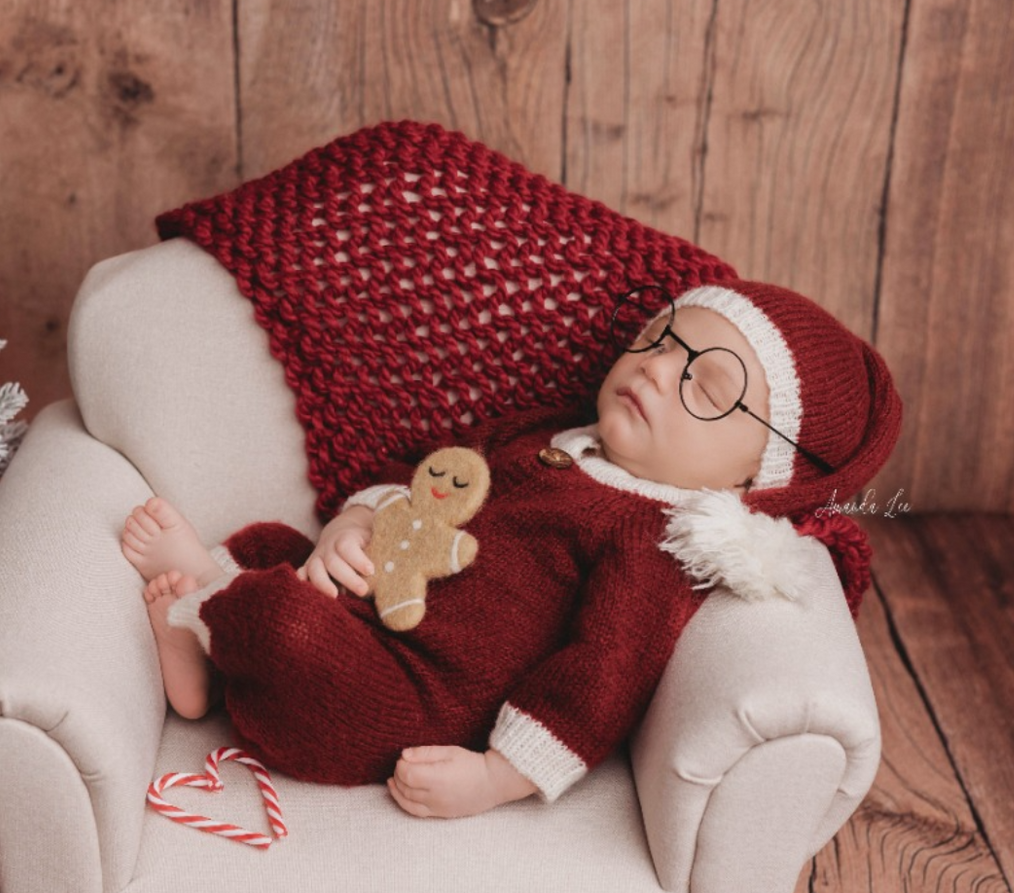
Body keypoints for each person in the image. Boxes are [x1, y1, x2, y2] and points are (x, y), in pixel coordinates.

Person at [118, 278, 901, 820]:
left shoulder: (653, 541)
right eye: (660, 338)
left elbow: (600, 675)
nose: (660, 369)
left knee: (283, 624)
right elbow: (427, 475)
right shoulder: (550, 433)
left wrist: (498, 776)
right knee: (269, 542)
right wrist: (351, 529)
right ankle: (205, 660)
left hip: (412, 697)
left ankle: (211, 621)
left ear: (753, 476)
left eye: (707, 387)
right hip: (371, 600)